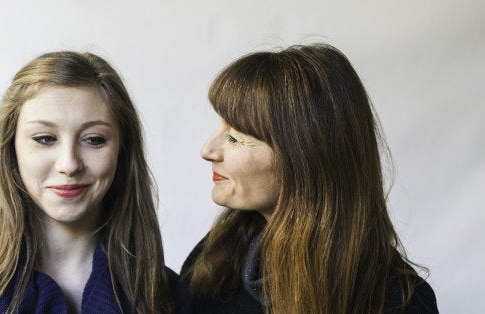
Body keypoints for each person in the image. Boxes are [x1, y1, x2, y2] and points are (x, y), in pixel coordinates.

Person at [0, 51, 189, 313]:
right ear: (11, 148)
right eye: (45, 139)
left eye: (94, 140)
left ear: (122, 151)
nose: (69, 164)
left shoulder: (167, 296)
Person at [181, 44, 438, 313]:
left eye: (235, 137)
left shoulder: (396, 301)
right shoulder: (219, 256)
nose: (207, 150)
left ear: (305, 158)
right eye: (220, 126)